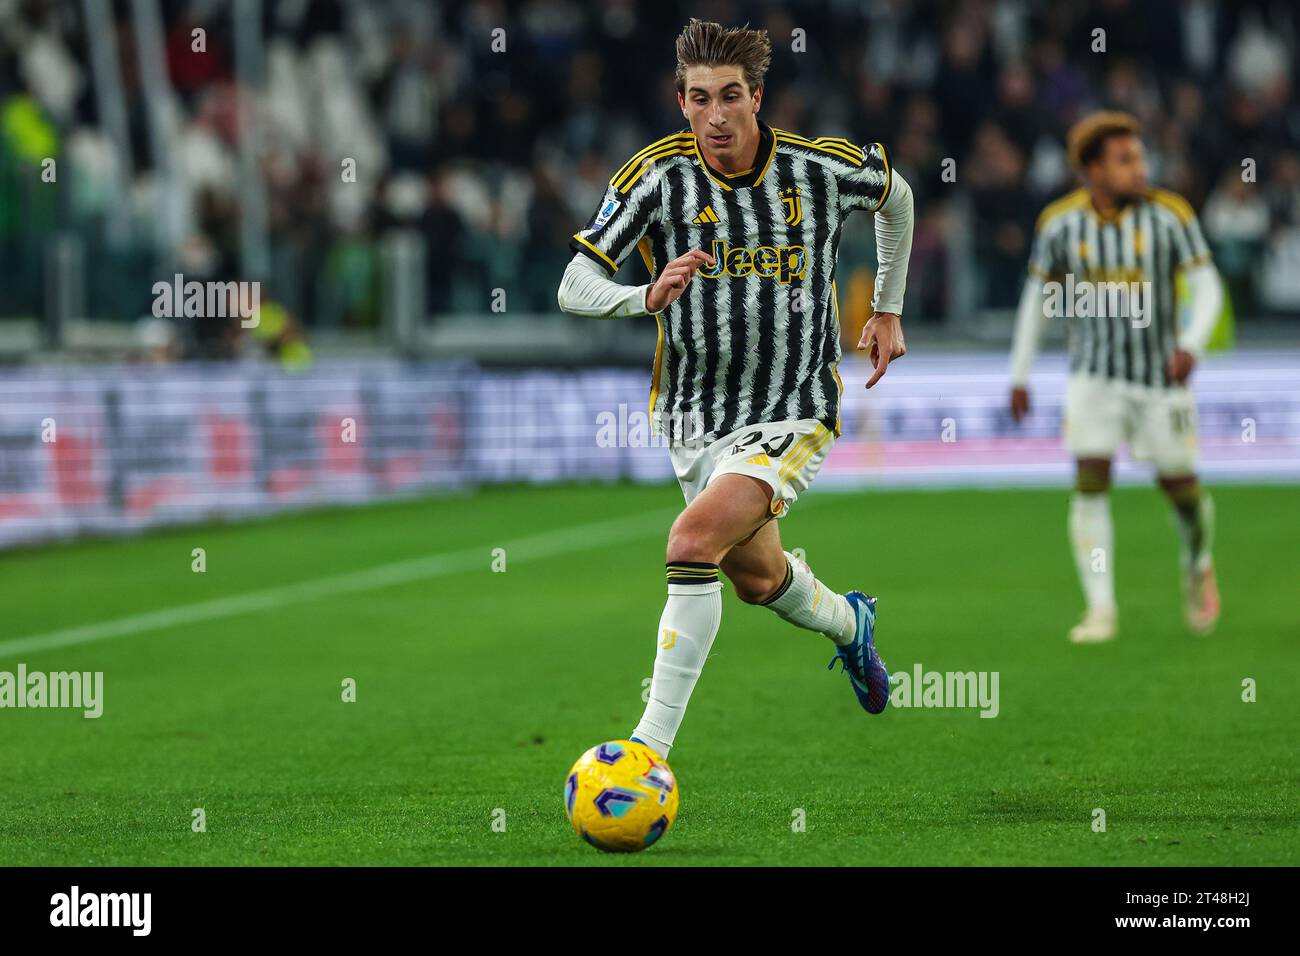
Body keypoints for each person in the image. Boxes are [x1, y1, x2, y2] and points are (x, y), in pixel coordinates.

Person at [557, 19, 914, 757]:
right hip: (694, 416)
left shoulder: (818, 168)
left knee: (690, 542)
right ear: (680, 101)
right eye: (697, 98)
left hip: (794, 406)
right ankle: (853, 624)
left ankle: (645, 753)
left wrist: (887, 305)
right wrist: (641, 297)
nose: (714, 115)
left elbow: (898, 196)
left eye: (729, 97)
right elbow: (573, 284)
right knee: (757, 581)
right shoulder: (656, 176)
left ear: (758, 97)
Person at [1008, 111, 1222, 644]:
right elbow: (1037, 300)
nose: (1140, 168)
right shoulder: (1060, 224)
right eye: (1126, 160)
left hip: (1159, 378)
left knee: (1182, 488)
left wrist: (1192, 345)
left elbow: (1209, 286)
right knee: (1090, 481)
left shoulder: (1170, 215)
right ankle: (1101, 607)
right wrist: (1020, 373)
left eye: (1140, 156)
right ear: (1093, 170)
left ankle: (1198, 563)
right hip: (1093, 376)